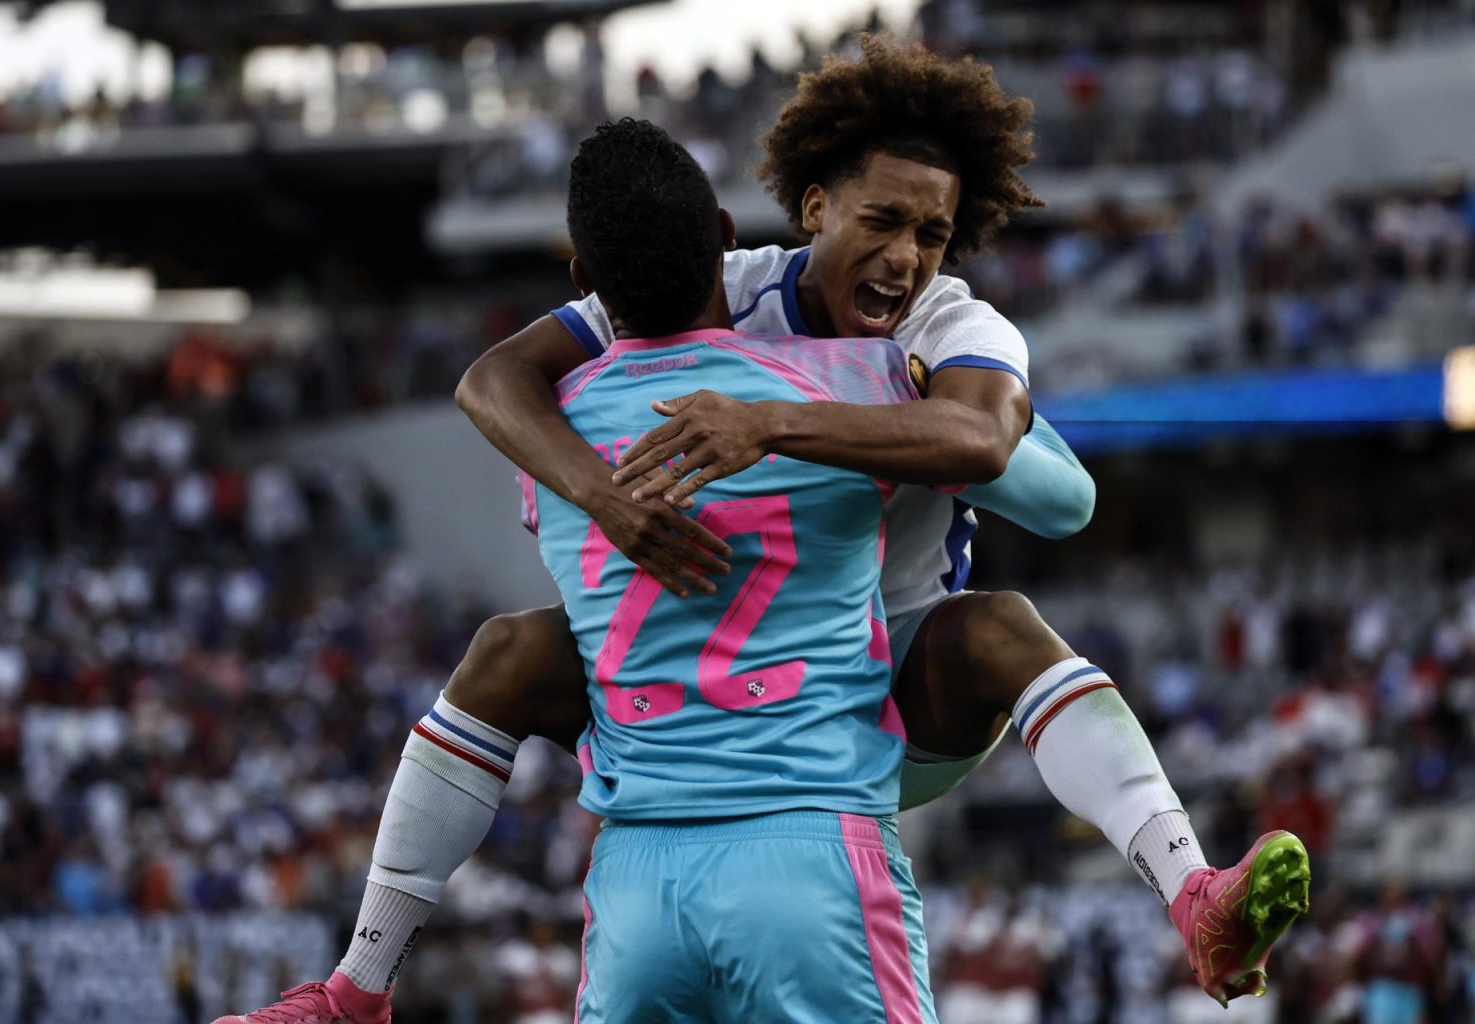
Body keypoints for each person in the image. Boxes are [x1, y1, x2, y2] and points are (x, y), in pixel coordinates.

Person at [223, 36, 1309, 1023]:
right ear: (815, 205)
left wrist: (773, 424)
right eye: (881, 221)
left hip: (892, 696)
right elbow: (493, 378)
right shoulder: (716, 285)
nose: (906, 258)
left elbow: (1032, 478)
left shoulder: (945, 325)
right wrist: (612, 501)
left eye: (932, 232)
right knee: (511, 650)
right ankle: (354, 990)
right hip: (713, 737)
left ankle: (1193, 889)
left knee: (1002, 625)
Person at [222, 118, 939, 1023]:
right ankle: (1178, 871)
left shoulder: (550, 430)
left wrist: (607, 492)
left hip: (638, 881)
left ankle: (356, 989)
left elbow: (495, 382)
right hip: (810, 852)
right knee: (1000, 635)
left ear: (584, 285)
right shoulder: (851, 380)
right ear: (726, 236)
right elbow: (1002, 454)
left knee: (509, 652)